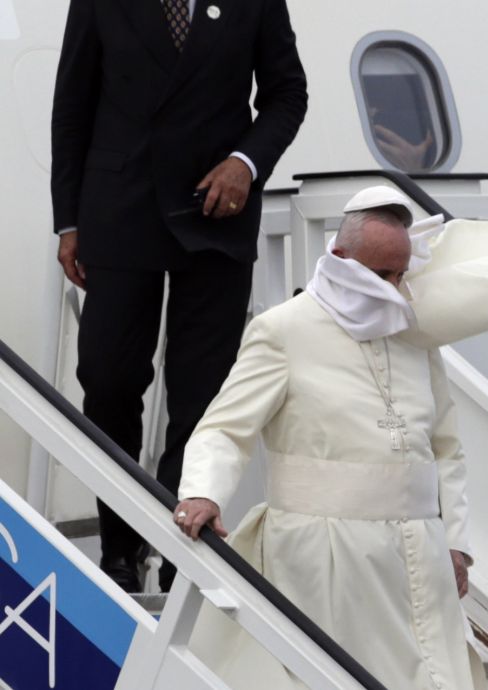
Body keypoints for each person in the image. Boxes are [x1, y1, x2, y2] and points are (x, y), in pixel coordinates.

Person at [172, 186, 488, 689]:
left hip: (416, 554)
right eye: (380, 273)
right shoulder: (283, 330)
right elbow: (224, 427)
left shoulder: (413, 332)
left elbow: (445, 448)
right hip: (322, 557)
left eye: (400, 274)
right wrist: (202, 491)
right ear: (341, 258)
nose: (392, 287)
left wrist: (455, 541)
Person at [50, 0, 308, 593]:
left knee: (201, 397)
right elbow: (73, 106)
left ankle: (178, 551)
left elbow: (286, 94)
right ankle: (121, 543)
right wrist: (69, 220)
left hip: (215, 212)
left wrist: (246, 162)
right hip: (120, 209)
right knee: (108, 380)